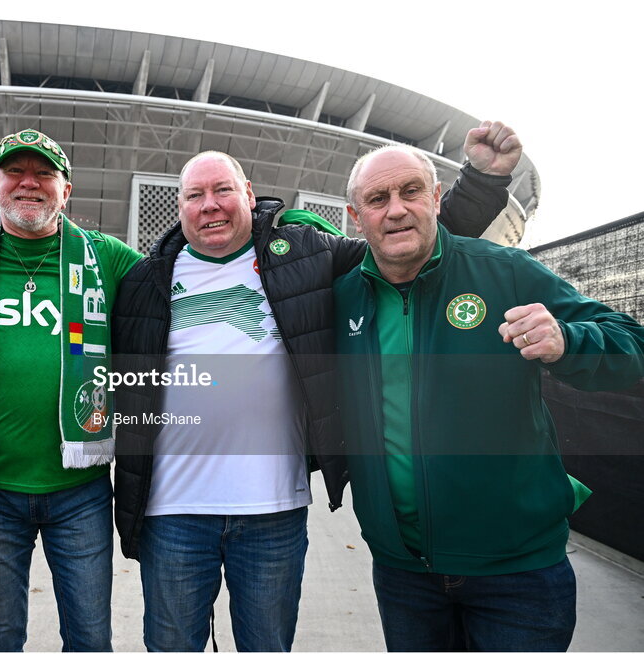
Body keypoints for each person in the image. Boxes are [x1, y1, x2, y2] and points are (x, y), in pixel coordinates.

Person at [111, 121, 522, 651]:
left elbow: (404, 245)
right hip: (172, 514)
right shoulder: (145, 280)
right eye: (195, 195)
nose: (209, 205)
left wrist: (483, 183)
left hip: (272, 513)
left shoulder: (304, 255)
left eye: (222, 190)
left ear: (249, 197)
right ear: (180, 206)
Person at [334, 144, 644, 651]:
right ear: (355, 216)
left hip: (517, 574)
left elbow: (633, 342)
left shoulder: (505, 271)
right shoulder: (344, 295)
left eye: (411, 191)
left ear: (436, 197)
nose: (396, 209)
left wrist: (569, 342)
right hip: (404, 574)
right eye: (377, 198)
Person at [0, 129, 142, 651]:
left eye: (44, 174)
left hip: (80, 490)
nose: (29, 183)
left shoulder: (106, 258)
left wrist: (279, 227)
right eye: (15, 172)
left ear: (67, 190)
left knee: (90, 638)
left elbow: (178, 280)